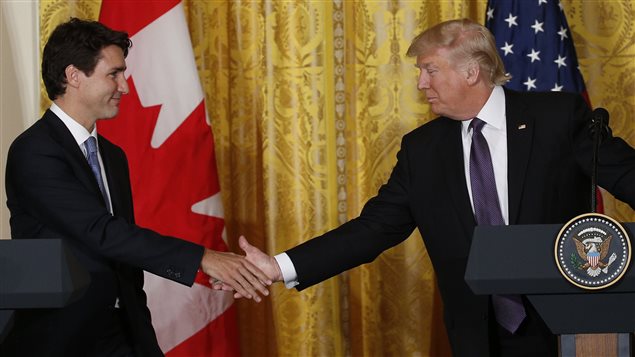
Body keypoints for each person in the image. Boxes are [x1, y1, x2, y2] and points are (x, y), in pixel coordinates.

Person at [217, 18, 635, 356]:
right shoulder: (423, 150)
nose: (420, 83)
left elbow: (628, 177)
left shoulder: (559, 118)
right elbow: (372, 229)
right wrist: (279, 266)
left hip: (571, 327)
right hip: (479, 335)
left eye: (430, 69)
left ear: (471, 71)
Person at [1, 18, 270, 357]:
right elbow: (102, 232)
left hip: (125, 334)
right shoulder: (34, 150)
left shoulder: (112, 156)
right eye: (113, 73)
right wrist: (201, 259)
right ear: (73, 76)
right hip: (61, 339)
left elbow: (123, 255)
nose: (125, 86)